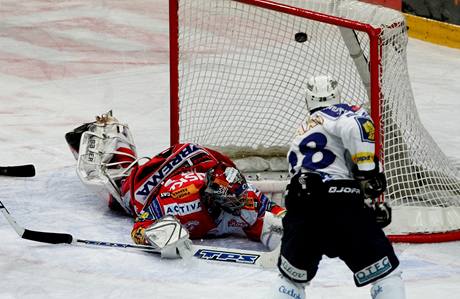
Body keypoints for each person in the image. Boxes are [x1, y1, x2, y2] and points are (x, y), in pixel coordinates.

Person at [65, 112, 285, 259]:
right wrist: (159, 236)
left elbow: (273, 213)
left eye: (238, 201)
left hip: (201, 161)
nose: (239, 207)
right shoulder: (179, 200)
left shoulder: (244, 197)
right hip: (164, 178)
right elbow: (140, 227)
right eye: (231, 202)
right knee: (128, 196)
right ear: (212, 198)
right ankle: (101, 136)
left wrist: (290, 225)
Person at [271, 75, 406, 299]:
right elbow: (358, 125)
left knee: (291, 280)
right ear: (336, 96)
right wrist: (369, 171)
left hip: (300, 204)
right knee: (386, 275)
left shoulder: (303, 130)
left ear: (308, 101)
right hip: (338, 201)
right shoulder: (337, 112)